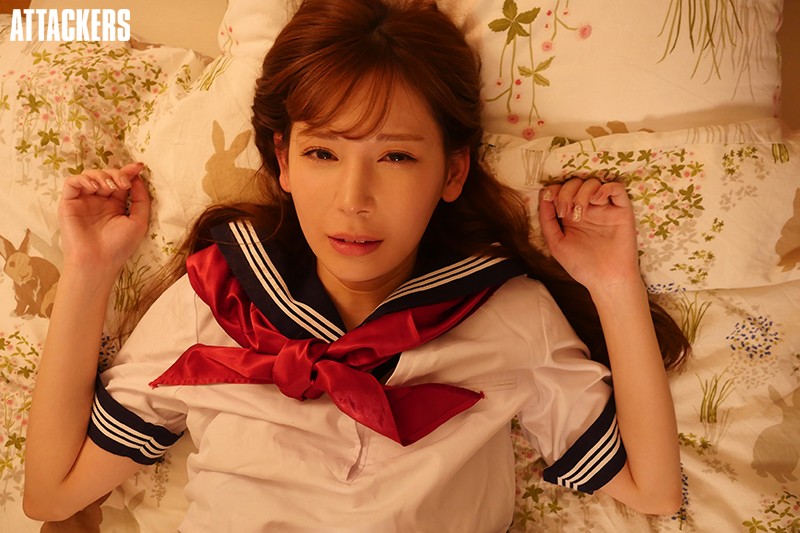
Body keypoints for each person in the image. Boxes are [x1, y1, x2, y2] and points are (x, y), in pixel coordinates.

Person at [23, 0, 689, 530]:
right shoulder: (218, 296)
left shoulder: (507, 313)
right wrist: (89, 268)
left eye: (396, 156)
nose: (354, 200)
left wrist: (613, 283)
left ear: (453, 171)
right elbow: (52, 493)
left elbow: (653, 489)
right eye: (323, 154)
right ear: (283, 161)